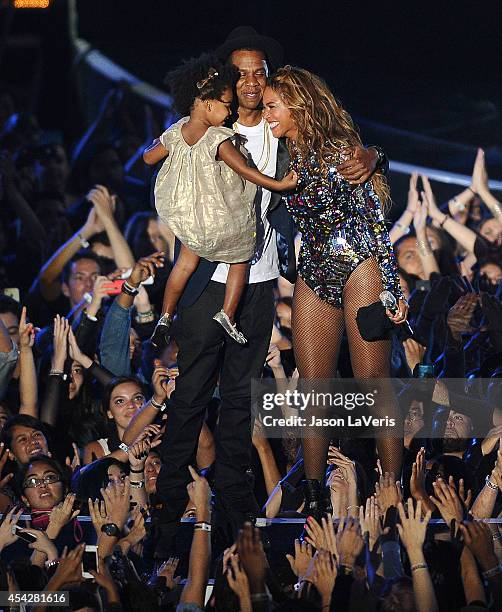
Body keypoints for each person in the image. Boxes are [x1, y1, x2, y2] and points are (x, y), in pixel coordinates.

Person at [124, 27, 382, 559]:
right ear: (222, 80)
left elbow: (338, 145)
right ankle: (169, 524)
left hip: (259, 284)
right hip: (202, 287)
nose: (248, 82)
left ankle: (241, 524)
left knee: (242, 403)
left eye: (258, 73)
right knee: (191, 400)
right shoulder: (200, 130)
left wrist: (373, 152)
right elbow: (149, 161)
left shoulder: (280, 132)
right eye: (239, 73)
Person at [262, 66, 408, 516]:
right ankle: (312, 492)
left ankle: (391, 491)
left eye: (272, 105)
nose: (265, 113)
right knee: (313, 389)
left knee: (373, 384)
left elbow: (373, 221)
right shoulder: (279, 151)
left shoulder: (340, 150)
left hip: (358, 263)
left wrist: (389, 286)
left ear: (298, 103)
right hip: (313, 271)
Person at [144, 53, 296, 346]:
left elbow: (148, 156)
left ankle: (165, 314)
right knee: (241, 258)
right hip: (223, 218)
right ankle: (227, 313)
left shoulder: (177, 132)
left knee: (183, 266)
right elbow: (246, 171)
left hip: (192, 219)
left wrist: (163, 143)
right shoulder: (218, 138)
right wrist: (278, 183)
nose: (229, 113)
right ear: (207, 103)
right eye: (225, 106)